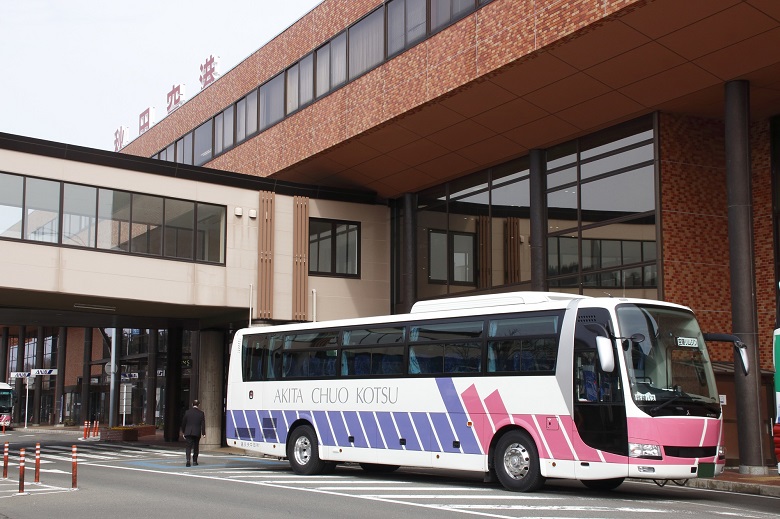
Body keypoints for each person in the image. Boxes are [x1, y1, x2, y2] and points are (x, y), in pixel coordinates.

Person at [180, 399, 206, 467]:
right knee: (196, 447)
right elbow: (203, 424)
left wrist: (183, 431)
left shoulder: (187, 412)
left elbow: (184, 422)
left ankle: (188, 461)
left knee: (188, 447)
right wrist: (203, 433)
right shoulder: (201, 413)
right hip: (197, 432)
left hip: (188, 432)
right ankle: (195, 461)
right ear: (199, 405)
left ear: (192, 404)